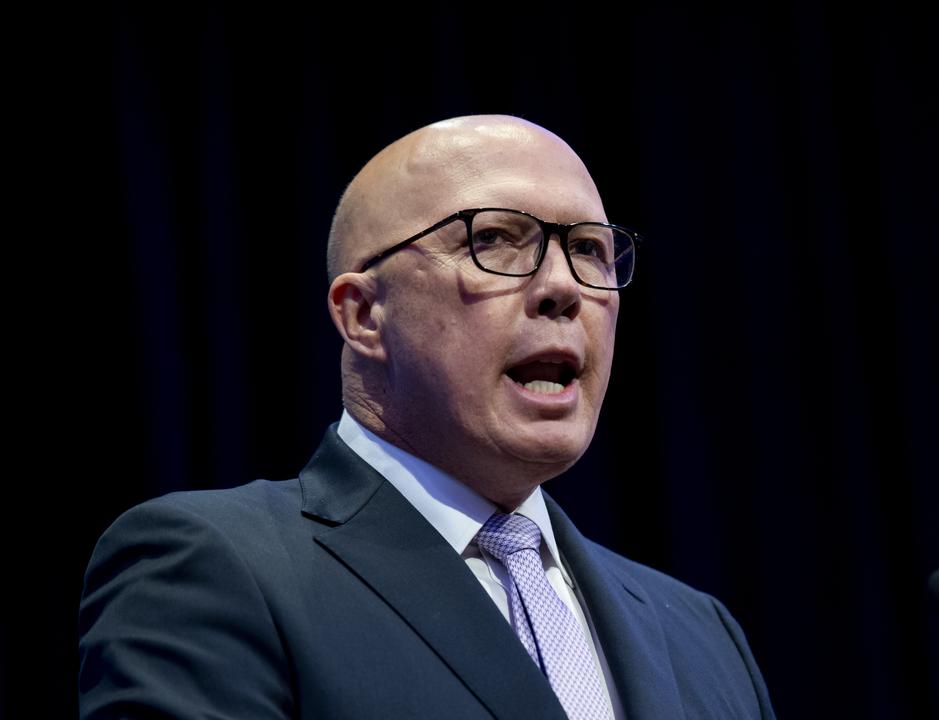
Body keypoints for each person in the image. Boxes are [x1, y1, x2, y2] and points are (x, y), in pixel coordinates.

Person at [78, 115, 775, 719]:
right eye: (498, 239)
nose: (564, 287)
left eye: (590, 249)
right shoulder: (216, 567)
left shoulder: (701, 634)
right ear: (363, 315)